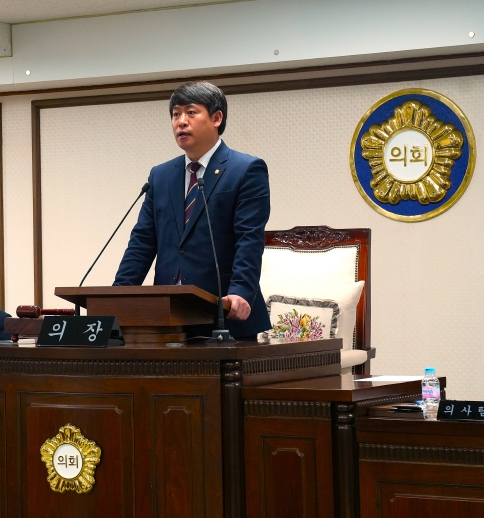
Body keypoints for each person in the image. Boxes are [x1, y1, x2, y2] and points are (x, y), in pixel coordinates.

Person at [114, 81, 271, 339]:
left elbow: (249, 239)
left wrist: (240, 292)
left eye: (190, 112)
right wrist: (117, 295)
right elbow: (142, 242)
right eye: (175, 114)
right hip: (166, 317)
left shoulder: (246, 170)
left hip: (223, 314)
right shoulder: (161, 175)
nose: (181, 122)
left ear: (217, 118)